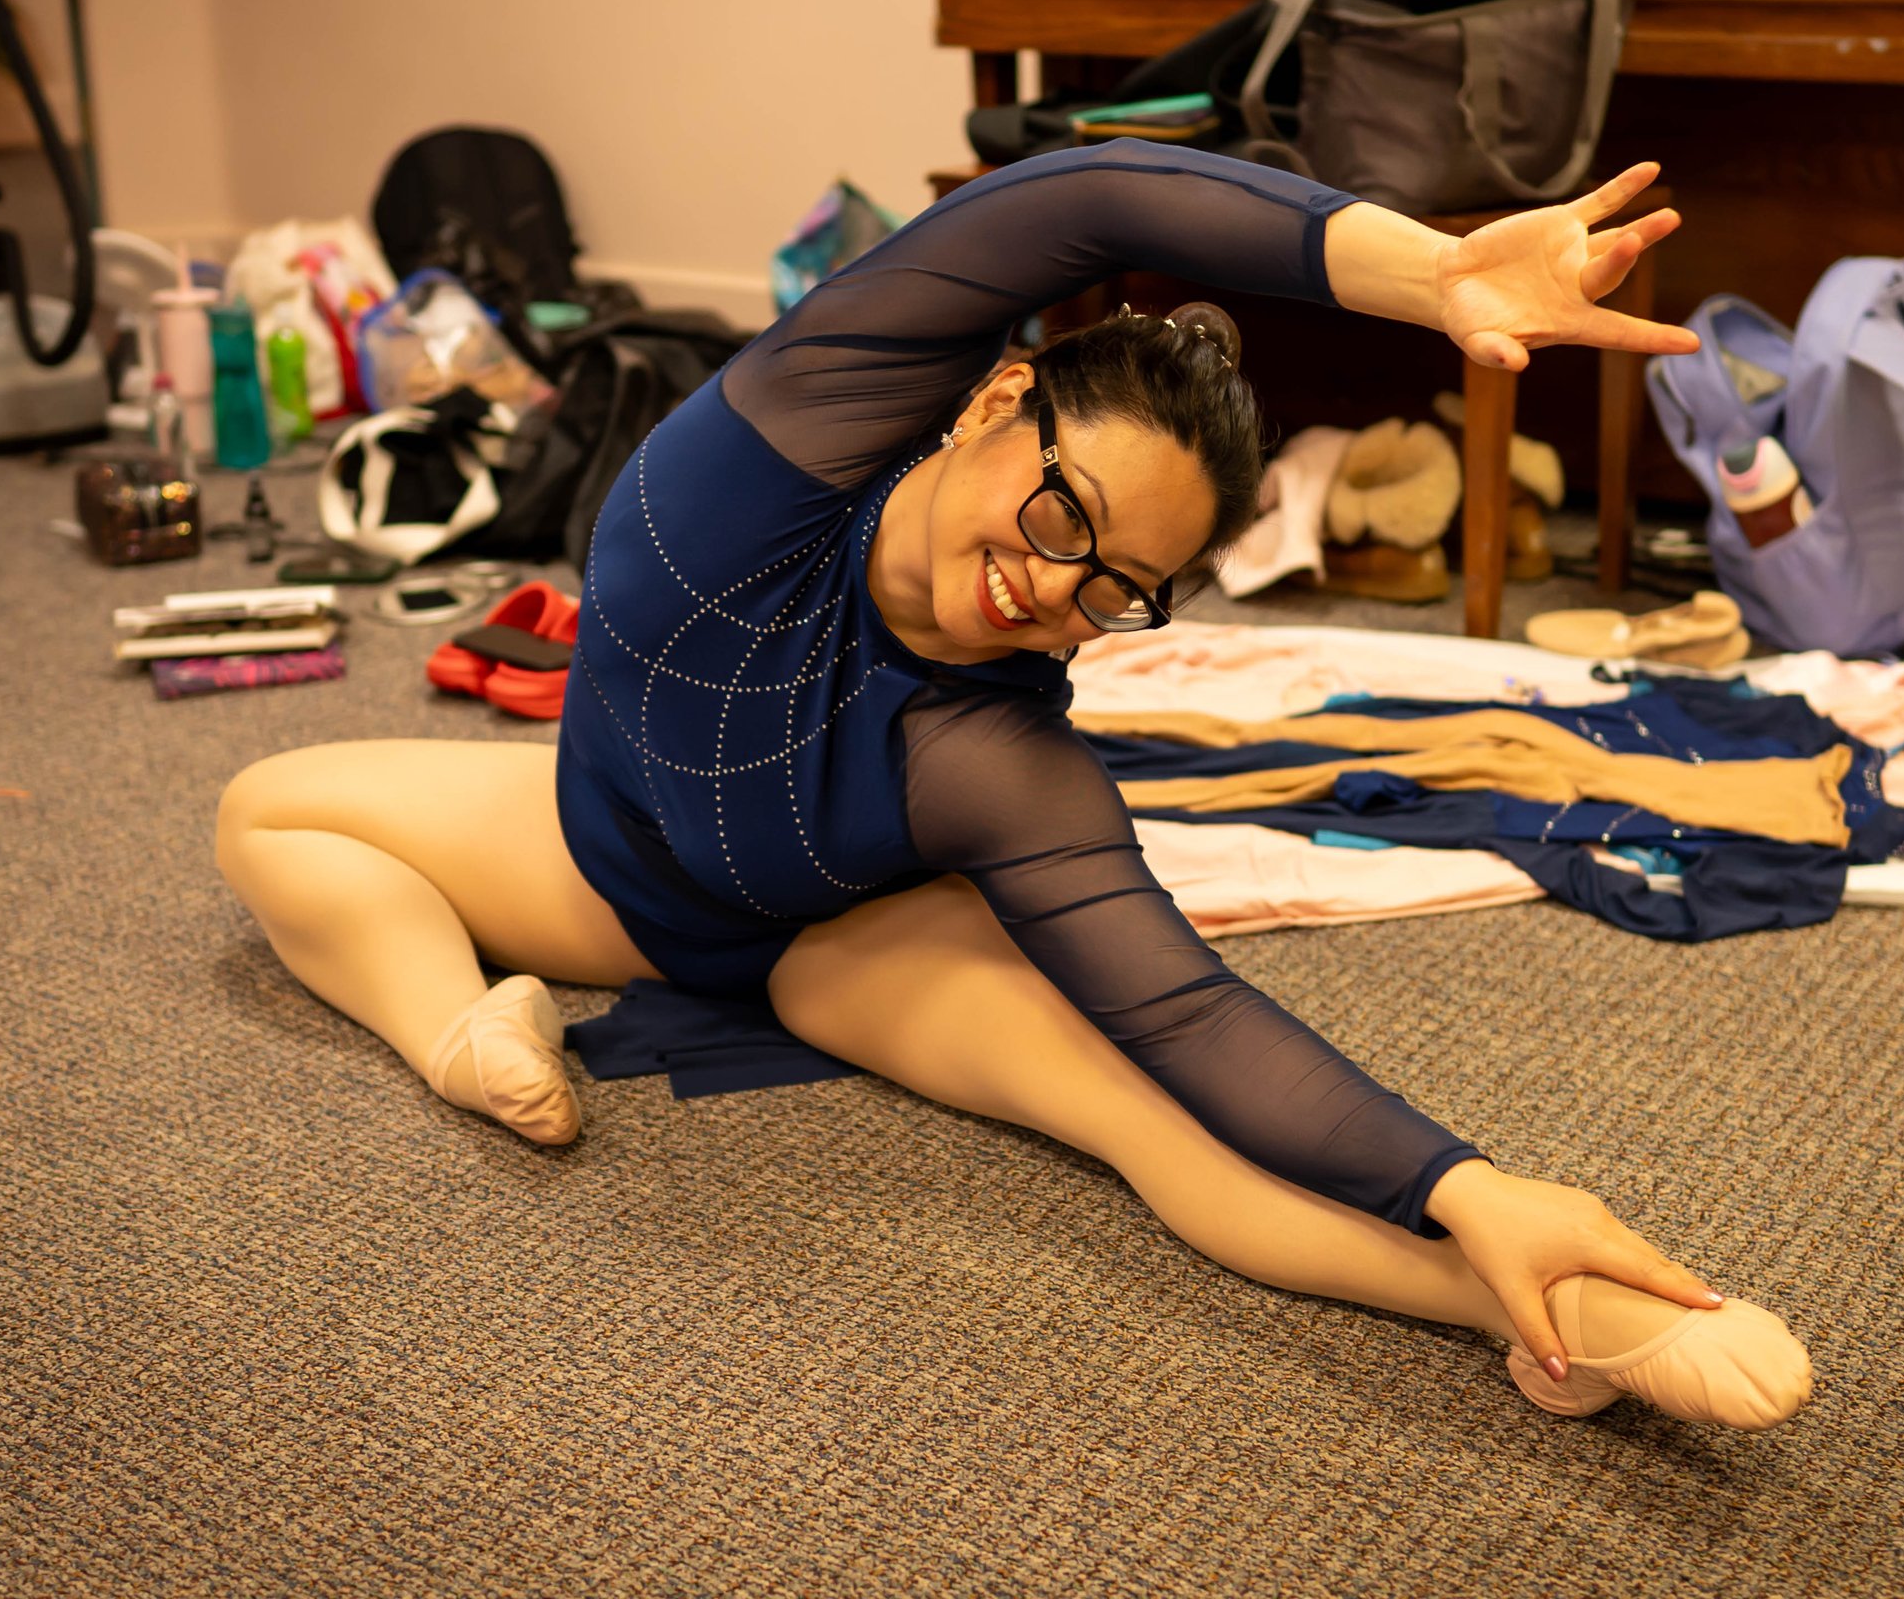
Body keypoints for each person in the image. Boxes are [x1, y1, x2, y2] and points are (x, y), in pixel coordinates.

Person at [216, 142, 1814, 1430]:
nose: (1053, 591)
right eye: (1062, 516)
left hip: (830, 940)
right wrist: (1439, 271)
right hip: (588, 851)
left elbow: (1191, 1019)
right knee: (263, 810)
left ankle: (1540, 1301)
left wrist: (1471, 1184)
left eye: (1120, 586)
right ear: (993, 406)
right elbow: (1083, 201)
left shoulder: (999, 758)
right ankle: (458, 1031)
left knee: (1142, 1113)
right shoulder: (774, 446)